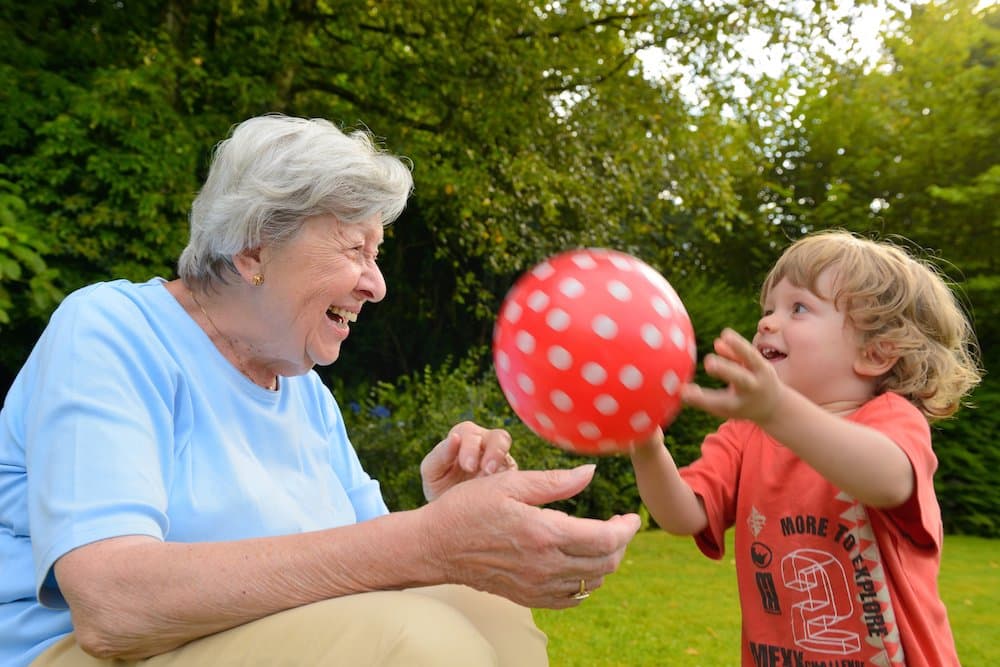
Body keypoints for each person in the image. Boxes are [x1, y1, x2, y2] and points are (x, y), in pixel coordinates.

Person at [0, 114, 642, 667]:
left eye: (378, 253)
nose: (377, 284)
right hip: (76, 652)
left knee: (487, 614)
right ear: (253, 250)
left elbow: (375, 565)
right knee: (413, 645)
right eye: (355, 249)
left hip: (223, 639)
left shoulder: (304, 392)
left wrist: (445, 521)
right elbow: (112, 605)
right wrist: (427, 541)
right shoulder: (113, 331)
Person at [630, 230, 981, 666]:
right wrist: (646, 444)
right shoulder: (748, 433)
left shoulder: (890, 419)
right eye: (768, 309)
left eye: (798, 308)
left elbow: (888, 481)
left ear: (876, 353)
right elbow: (682, 514)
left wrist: (776, 409)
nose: (766, 323)